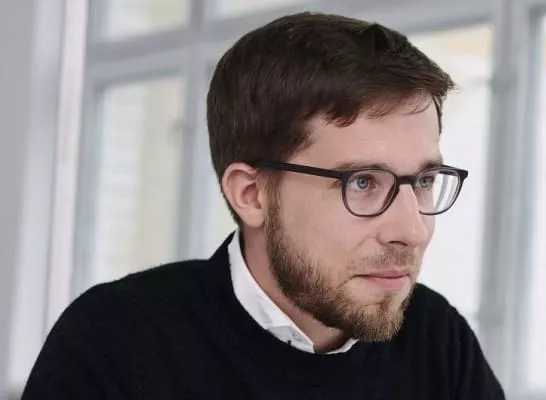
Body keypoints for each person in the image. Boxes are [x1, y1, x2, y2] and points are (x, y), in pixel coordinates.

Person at [22, 11, 504, 400]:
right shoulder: (115, 342)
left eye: (423, 181)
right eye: (362, 182)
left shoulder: (438, 343)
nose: (412, 230)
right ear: (251, 195)